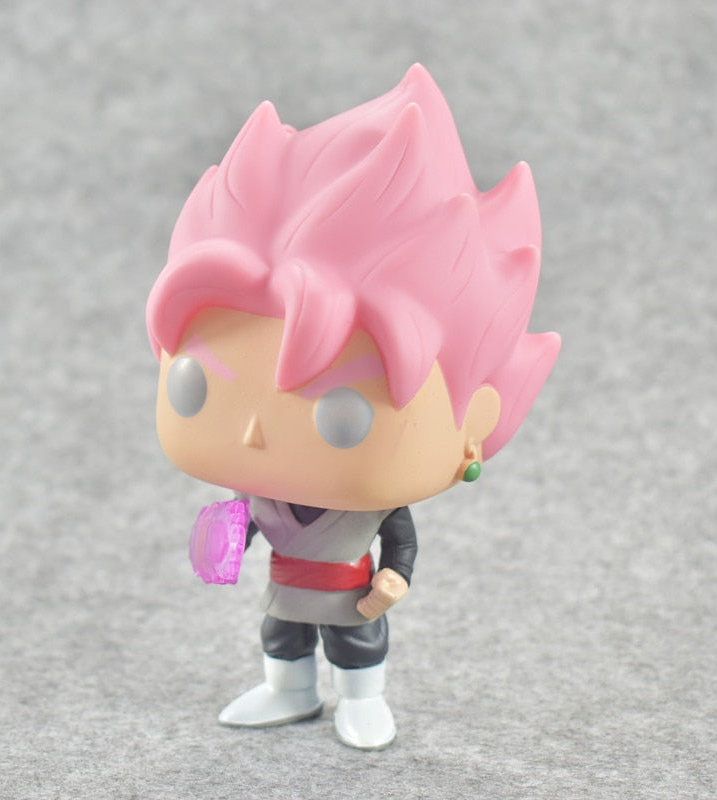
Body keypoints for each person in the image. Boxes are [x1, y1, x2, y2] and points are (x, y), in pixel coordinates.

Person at [146, 64, 560, 749]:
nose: (252, 431)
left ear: (475, 422)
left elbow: (400, 540)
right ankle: (289, 689)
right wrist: (222, 542)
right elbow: (241, 529)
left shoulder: (372, 505)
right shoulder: (263, 496)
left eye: (343, 415)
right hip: (288, 584)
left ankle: (362, 701)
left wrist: (395, 577)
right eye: (195, 382)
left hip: (350, 590)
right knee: (281, 634)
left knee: (356, 643)